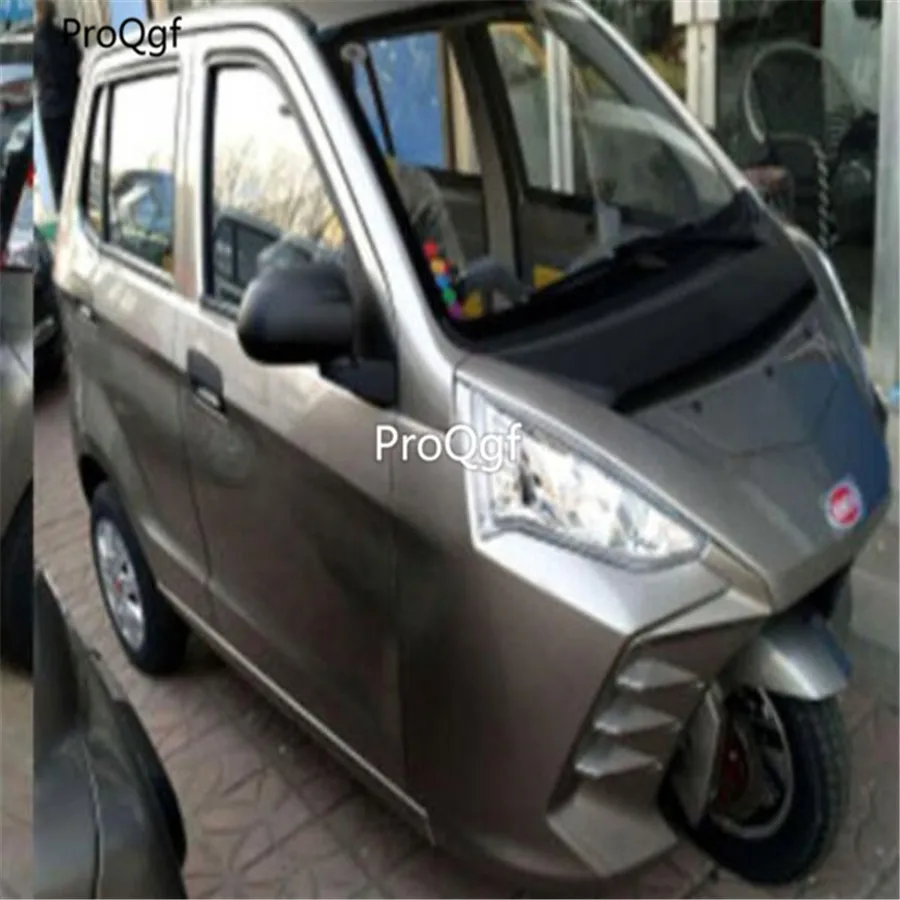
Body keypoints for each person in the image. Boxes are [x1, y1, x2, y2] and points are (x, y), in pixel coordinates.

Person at [34, 0, 82, 207]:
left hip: (49, 114)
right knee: (76, 161)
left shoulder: (35, 43)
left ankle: (64, 206)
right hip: (73, 107)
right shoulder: (66, 38)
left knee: (57, 170)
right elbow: (78, 66)